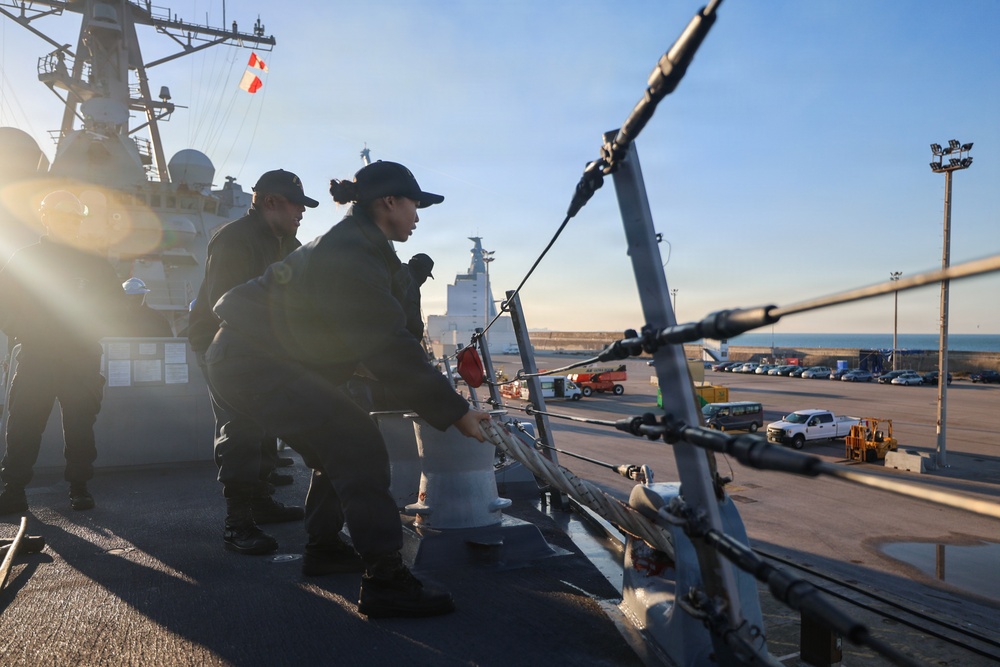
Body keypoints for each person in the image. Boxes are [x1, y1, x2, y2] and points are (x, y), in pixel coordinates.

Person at [204, 160, 493, 618]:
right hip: (252, 362)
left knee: (335, 448)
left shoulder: (360, 248)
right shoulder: (352, 255)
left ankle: (324, 550)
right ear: (389, 202)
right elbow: (388, 343)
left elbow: (363, 335)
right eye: (415, 205)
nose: (418, 216)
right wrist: (457, 411)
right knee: (356, 443)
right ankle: (385, 582)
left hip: (252, 360)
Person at [188, 169, 316, 554]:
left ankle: (260, 503)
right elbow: (228, 302)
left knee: (264, 427)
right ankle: (237, 523)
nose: (302, 212)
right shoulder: (234, 239)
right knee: (241, 425)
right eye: (297, 204)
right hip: (223, 345)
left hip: (265, 348)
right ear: (271, 201)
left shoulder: (288, 242)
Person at [0, 191, 126, 514]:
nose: (67, 224)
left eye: (73, 219)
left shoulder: (96, 265)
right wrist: (26, 331)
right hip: (36, 357)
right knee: (23, 425)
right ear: (45, 218)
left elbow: (115, 306)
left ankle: (79, 487)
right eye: (60, 217)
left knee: (80, 427)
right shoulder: (24, 259)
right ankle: (13, 489)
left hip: (80, 360)